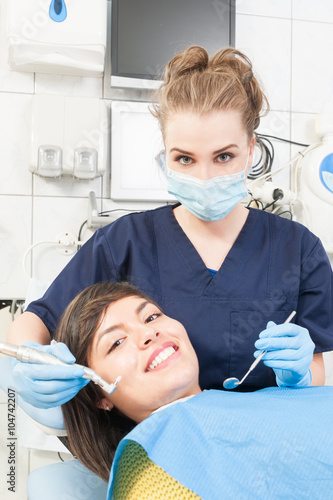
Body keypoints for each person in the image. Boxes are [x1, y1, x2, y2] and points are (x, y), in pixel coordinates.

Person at [7, 46, 333, 408]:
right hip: (156, 450)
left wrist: (299, 374)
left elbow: (315, 379)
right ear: (165, 155)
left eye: (224, 156)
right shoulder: (124, 243)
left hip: (263, 445)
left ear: (251, 149)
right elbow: (40, 317)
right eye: (185, 158)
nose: (205, 176)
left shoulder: (298, 250)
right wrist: (25, 360)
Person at [53, 281, 333, 499]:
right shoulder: (152, 473)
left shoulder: (264, 396)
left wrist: (298, 384)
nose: (149, 333)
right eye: (117, 342)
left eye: (151, 317)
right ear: (100, 397)